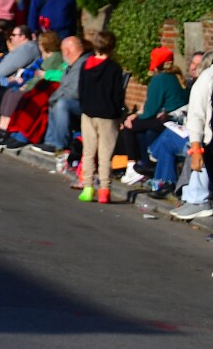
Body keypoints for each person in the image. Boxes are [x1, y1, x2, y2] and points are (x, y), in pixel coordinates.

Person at [119, 48, 190, 186]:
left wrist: (133, 116)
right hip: (176, 121)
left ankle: (132, 167)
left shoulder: (159, 79)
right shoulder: (176, 77)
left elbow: (149, 111)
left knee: (128, 126)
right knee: (144, 131)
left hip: (166, 120)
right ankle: (145, 164)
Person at [76, 30, 125, 204]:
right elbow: (118, 95)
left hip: (88, 112)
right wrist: (119, 113)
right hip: (108, 115)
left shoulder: (86, 65)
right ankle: (104, 190)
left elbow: (81, 89)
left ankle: (88, 187)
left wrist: (84, 106)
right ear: (112, 47)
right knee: (105, 154)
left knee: (88, 152)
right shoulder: (114, 68)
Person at [28, 36, 91, 156]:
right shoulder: (73, 64)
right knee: (55, 100)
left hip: (86, 103)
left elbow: (76, 91)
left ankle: (60, 144)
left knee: (61, 103)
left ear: (67, 51)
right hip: (77, 100)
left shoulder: (83, 64)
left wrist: (57, 97)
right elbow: (64, 84)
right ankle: (50, 141)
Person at [170, 54, 213, 219]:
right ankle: (194, 198)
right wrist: (196, 147)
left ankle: (196, 198)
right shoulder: (207, 79)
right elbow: (196, 115)